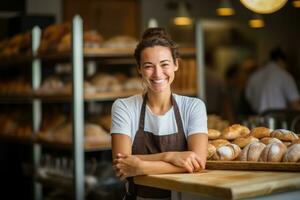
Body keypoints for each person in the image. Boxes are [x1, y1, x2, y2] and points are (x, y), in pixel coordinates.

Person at [111, 27, 208, 200]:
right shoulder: (124, 107)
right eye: (149, 66)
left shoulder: (193, 107)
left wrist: (140, 167)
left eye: (164, 64)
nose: (157, 73)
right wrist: (170, 156)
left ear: (176, 65)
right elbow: (121, 165)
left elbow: (199, 162)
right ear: (139, 68)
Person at [245, 47, 300, 114]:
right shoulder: (284, 75)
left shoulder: (254, 76)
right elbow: (295, 104)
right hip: (279, 119)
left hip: (257, 118)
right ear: (280, 61)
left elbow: (248, 97)